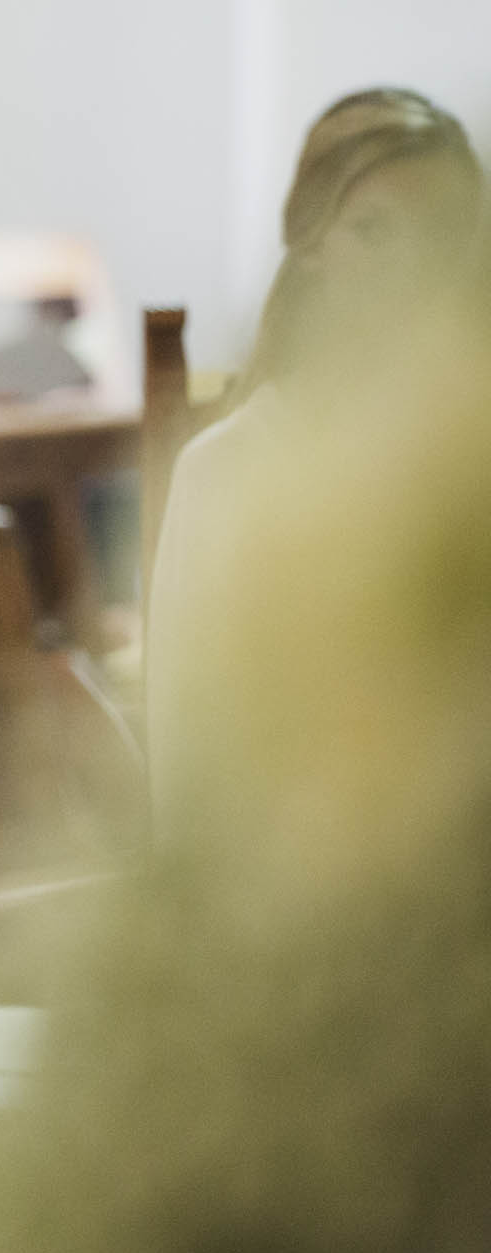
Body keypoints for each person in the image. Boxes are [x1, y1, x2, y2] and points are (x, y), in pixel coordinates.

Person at [146, 88, 481, 825]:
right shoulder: (232, 469)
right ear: (312, 246)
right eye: (374, 230)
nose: (415, 267)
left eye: (444, 234)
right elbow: (192, 779)